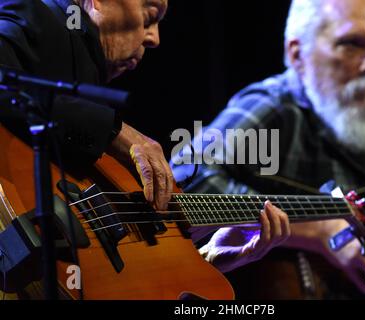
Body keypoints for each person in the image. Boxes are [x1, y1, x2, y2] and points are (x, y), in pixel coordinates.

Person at [0, 0, 290, 298]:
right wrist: (115, 131)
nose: (154, 38)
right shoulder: (36, 14)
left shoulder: (84, 71)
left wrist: (206, 258)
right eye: (150, 16)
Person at [171, 0, 365, 298]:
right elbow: (184, 178)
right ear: (297, 53)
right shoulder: (276, 108)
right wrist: (317, 231)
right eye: (352, 44)